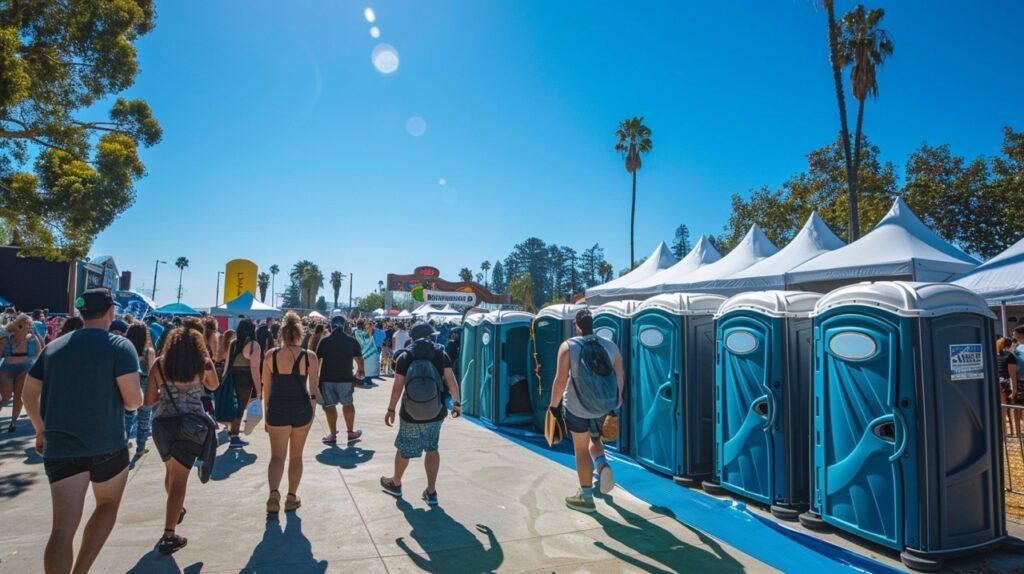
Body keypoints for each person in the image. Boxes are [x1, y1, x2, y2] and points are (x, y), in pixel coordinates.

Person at [22, 288, 143, 574]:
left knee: (62, 529)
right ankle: (82, 570)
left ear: (81, 312)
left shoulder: (54, 347)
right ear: (111, 311)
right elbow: (133, 401)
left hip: (61, 448)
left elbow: (29, 394)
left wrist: (41, 430)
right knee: (108, 505)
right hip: (107, 445)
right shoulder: (119, 346)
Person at [146, 326, 220, 554]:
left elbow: (149, 400)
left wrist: (169, 392)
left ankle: (175, 510)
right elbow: (213, 385)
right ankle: (169, 534)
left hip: (163, 425)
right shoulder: (202, 364)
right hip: (191, 426)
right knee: (179, 479)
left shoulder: (159, 364)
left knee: (170, 473)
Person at [547, 309, 624, 513]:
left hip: (576, 407)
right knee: (595, 440)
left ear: (577, 326)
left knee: (580, 448)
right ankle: (602, 465)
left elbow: (560, 380)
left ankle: (586, 497)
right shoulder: (610, 346)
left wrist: (553, 406)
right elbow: (619, 376)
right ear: (593, 324)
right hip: (603, 407)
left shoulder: (568, 346)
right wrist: (616, 402)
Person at [381, 321, 461, 506]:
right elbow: (451, 379)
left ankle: (396, 483)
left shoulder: (405, 355)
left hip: (410, 411)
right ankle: (431, 492)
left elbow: (397, 387)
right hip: (436, 410)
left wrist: (391, 409)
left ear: (412, 337)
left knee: (405, 448)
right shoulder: (441, 354)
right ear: (430, 335)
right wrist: (456, 404)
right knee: (432, 448)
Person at [262, 311, 320, 513]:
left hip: (276, 409)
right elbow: (313, 390)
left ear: (282, 334)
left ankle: (273, 494)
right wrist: (311, 414)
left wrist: (266, 416)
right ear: (299, 334)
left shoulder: (270, 355)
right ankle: (291, 497)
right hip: (301, 409)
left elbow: (266, 390)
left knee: (276, 456)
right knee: (296, 456)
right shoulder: (309, 357)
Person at [315, 315, 365, 444]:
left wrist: (315, 377)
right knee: (348, 404)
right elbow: (359, 359)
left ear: (331, 326)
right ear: (344, 326)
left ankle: (332, 434)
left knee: (330, 406)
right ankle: (350, 433)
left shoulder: (325, 341)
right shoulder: (352, 341)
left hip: (327, 379)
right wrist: (360, 371)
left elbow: (317, 360)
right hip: (345, 379)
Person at [1, 313, 43, 432]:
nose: (29, 327)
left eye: (30, 325)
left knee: (19, 397)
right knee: (6, 396)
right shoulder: (6, 340)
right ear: (18, 326)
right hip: (6, 369)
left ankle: (13, 422)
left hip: (25, 369)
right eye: (26, 325)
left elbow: (39, 356)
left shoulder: (33, 339)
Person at [227, 319, 262, 448]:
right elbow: (255, 370)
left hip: (232, 377)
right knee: (240, 408)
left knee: (234, 406)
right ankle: (234, 436)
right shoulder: (254, 345)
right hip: (245, 379)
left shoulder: (234, 343)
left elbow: (227, 365)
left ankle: (232, 433)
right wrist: (259, 391)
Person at [124, 323, 157, 455]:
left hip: (128, 382)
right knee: (144, 417)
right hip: (145, 384)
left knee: (127, 415)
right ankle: (141, 447)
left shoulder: (125, 349)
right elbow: (152, 371)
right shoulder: (148, 351)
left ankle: (124, 443)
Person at [999, 336, 1020, 437]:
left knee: (1001, 411)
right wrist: (1015, 389)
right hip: (1003, 385)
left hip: (996, 384)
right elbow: (1012, 375)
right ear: (1010, 345)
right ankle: (1005, 435)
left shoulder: (995, 355)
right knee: (1004, 411)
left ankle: (1005, 433)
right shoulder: (1010, 356)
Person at [354, 320, 380, 388]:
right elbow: (367, 338)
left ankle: (361, 380)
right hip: (364, 350)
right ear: (362, 325)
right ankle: (365, 380)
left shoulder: (357, 331)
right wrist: (370, 329)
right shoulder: (359, 332)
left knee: (363, 366)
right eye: (364, 324)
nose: (365, 325)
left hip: (360, 350)